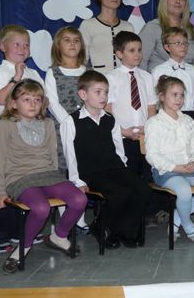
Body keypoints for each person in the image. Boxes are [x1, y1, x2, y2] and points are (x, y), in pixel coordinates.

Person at [0, 79, 87, 274]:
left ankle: (58, 236)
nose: (33, 104)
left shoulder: (48, 123)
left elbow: (52, 157)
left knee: (79, 199)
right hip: (20, 177)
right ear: (14, 103)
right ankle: (23, 247)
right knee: (41, 208)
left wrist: (61, 181)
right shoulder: (5, 124)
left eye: (37, 99)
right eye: (26, 99)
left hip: (48, 175)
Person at [61, 71, 151, 249]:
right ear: (83, 94)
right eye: (98, 92)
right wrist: (77, 181)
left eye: (106, 92)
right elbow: (69, 155)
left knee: (143, 189)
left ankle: (123, 231)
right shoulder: (71, 122)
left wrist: (124, 169)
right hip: (90, 173)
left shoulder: (110, 119)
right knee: (120, 194)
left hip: (114, 168)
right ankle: (100, 226)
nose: (103, 96)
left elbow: (118, 148)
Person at [144, 76, 194, 244]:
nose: (179, 99)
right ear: (162, 96)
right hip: (166, 170)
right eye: (174, 95)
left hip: (189, 168)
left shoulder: (188, 121)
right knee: (184, 190)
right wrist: (175, 167)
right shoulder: (154, 123)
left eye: (181, 95)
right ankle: (189, 226)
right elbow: (152, 155)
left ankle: (177, 218)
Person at [105, 31, 156, 182]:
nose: (137, 54)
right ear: (119, 54)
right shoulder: (111, 78)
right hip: (122, 137)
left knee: (147, 177)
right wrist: (121, 131)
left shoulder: (147, 77)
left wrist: (148, 128)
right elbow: (107, 110)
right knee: (128, 177)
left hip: (145, 137)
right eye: (132, 50)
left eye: (139, 50)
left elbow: (151, 108)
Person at [0, 24, 44, 136]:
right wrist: (17, 77)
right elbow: (1, 100)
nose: (22, 49)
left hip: (31, 133)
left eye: (26, 45)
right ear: (2, 46)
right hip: (6, 135)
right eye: (16, 44)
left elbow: (44, 100)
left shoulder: (33, 73)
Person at [45, 26, 88, 171]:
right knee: (66, 164)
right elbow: (52, 102)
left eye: (76, 40)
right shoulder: (53, 72)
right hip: (62, 126)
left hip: (86, 125)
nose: (72, 44)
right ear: (58, 45)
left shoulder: (88, 71)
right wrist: (68, 122)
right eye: (67, 40)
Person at [150, 27, 194, 129]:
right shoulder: (158, 71)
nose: (183, 46)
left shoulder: (192, 70)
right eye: (178, 43)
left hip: (190, 114)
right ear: (167, 47)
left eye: (185, 43)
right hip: (166, 115)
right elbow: (154, 98)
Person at [139, 0, 194, 71]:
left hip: (186, 78)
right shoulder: (152, 28)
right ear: (164, 2)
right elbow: (140, 62)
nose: (178, 1)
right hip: (158, 79)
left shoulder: (191, 29)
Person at [79, 0, 133, 73]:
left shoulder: (128, 27)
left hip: (124, 79)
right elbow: (81, 59)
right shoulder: (87, 25)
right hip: (98, 79)